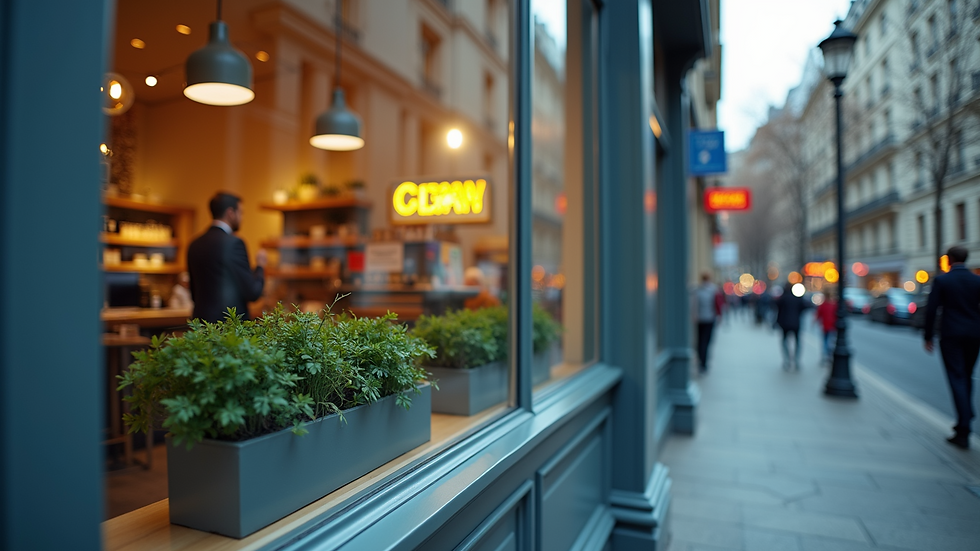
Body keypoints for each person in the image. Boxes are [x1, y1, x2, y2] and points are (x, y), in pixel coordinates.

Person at [923, 245, 980, 450]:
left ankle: (964, 425)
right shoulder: (976, 280)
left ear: (949, 259)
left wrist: (928, 336)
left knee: (956, 376)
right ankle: (966, 417)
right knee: (966, 374)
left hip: (951, 334)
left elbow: (931, 310)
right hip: (974, 334)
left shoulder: (942, 280)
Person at [187, 192, 267, 323]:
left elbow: (194, 293)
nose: (242, 218)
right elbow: (252, 292)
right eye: (241, 213)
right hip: (229, 330)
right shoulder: (234, 243)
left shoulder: (194, 244)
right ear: (230, 213)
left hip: (200, 325)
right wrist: (260, 266)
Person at [775, 284, 810, 370]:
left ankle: (787, 359)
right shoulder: (797, 298)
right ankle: (796, 359)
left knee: (784, 341)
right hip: (796, 323)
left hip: (784, 323)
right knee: (797, 342)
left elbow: (776, 307)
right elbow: (805, 306)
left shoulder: (783, 298)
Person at [694, 273, 723, 373]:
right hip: (710, 319)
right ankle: (704, 363)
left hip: (700, 319)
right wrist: (719, 317)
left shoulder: (697, 290)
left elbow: (694, 305)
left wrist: (695, 315)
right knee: (707, 341)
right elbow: (718, 304)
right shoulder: (714, 290)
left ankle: (700, 361)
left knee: (700, 341)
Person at [815, 289, 838, 365]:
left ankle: (825, 356)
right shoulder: (833, 304)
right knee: (829, 341)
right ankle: (828, 356)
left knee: (826, 342)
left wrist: (815, 321)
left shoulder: (824, 305)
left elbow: (818, 315)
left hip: (826, 326)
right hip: (831, 326)